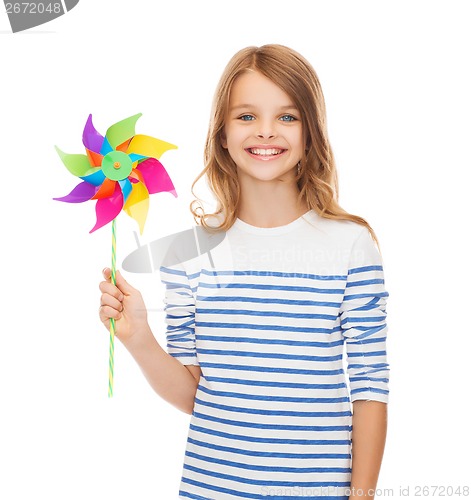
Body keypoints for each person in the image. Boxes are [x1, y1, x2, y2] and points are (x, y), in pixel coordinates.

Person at [99, 44, 390, 500]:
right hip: (212, 488)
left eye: (288, 117)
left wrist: (362, 496)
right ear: (222, 134)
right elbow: (195, 396)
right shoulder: (186, 254)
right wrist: (138, 337)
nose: (267, 131)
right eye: (246, 116)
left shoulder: (351, 244)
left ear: (312, 132)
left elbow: (371, 385)